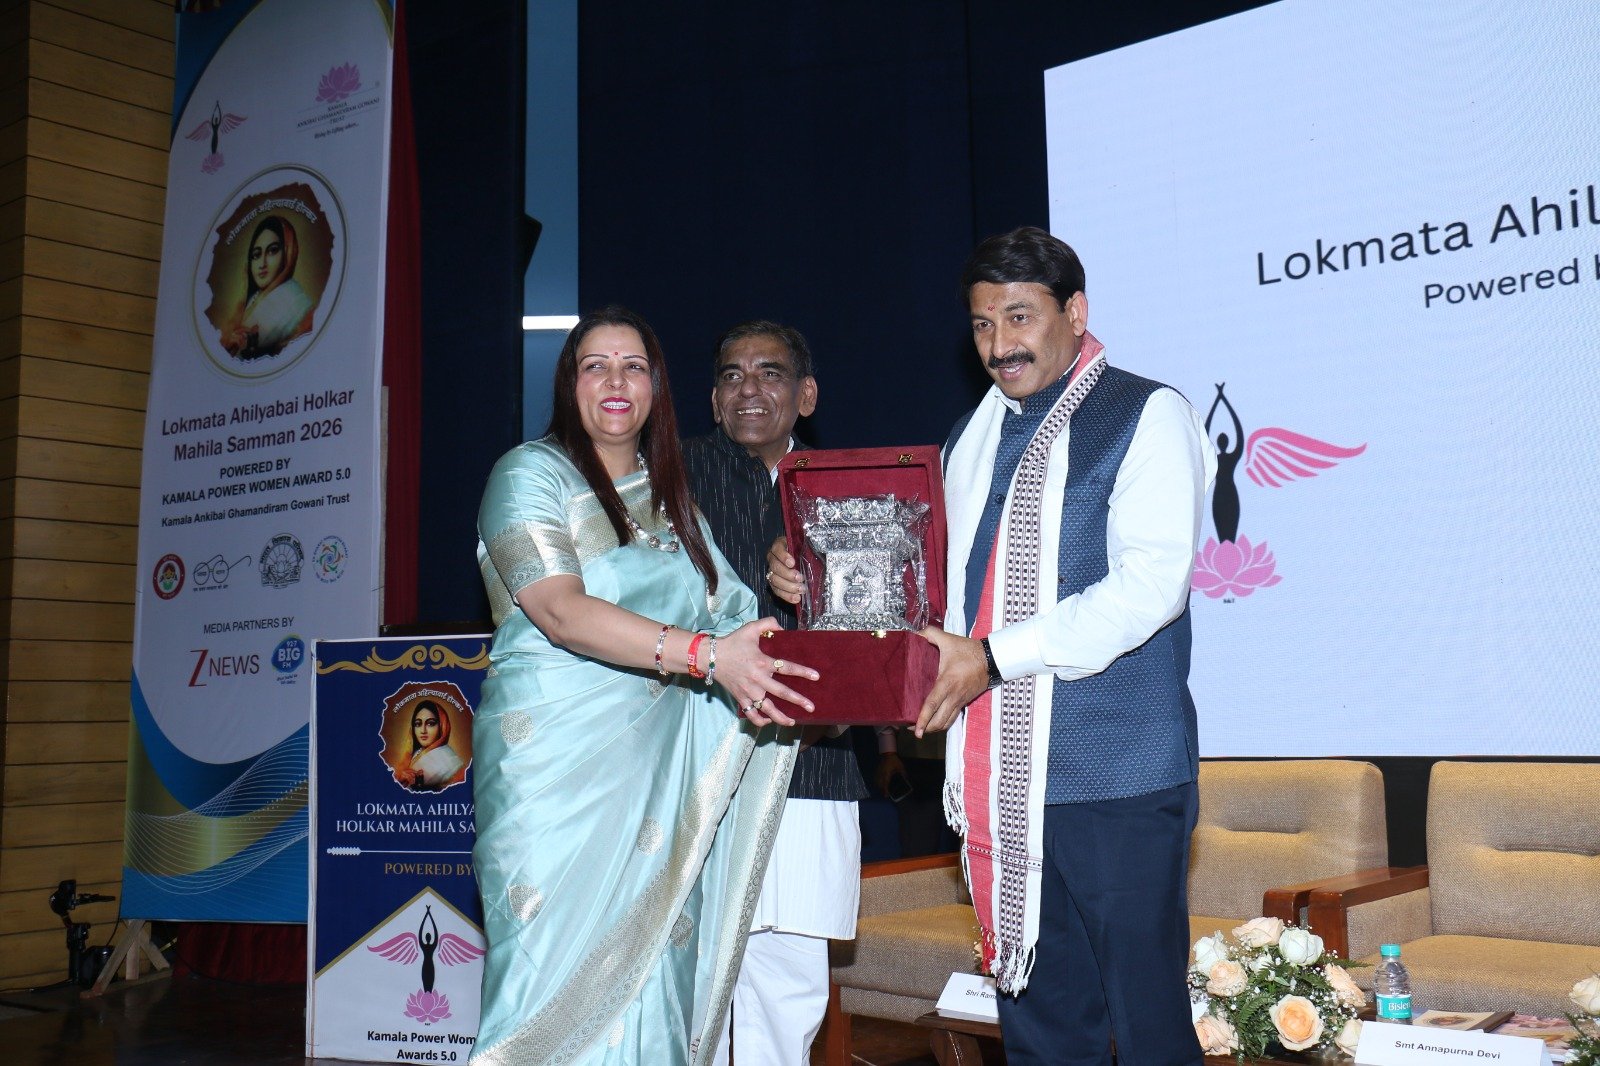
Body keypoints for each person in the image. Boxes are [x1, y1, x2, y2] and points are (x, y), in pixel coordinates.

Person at [771, 226, 1215, 1066]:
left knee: (1149, 1030)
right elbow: (932, 588)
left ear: (1074, 313)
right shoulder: (969, 438)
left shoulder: (1146, 413)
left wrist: (992, 657)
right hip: (1005, 788)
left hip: (1117, 778)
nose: (999, 344)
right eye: (982, 324)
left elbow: (1148, 589)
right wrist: (817, 570)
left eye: (1019, 317)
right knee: (1043, 1033)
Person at [470, 306, 818, 1065]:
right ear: (569, 384)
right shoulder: (528, 475)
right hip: (552, 773)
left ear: (656, 388)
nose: (616, 381)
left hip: (660, 778)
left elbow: (735, 619)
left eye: (634, 367)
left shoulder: (672, 501)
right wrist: (706, 656)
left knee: (654, 971)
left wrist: (808, 590)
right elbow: (560, 611)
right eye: (595, 365)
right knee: (544, 984)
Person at [682, 321, 867, 1066]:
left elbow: (885, 624)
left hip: (813, 763)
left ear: (806, 394)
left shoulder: (849, 491)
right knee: (693, 981)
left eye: (770, 373)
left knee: (790, 985)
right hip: (698, 761)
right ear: (713, 399)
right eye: (731, 376)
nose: (748, 389)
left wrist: (823, 579)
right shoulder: (670, 481)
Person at [224, 215, 314, 358]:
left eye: (272, 251)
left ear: (288, 253)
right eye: (256, 255)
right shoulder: (252, 299)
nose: (262, 263)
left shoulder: (296, 302)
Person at [392, 699, 465, 791]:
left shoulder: (451, 763)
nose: (423, 730)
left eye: (430, 723)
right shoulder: (416, 752)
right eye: (418, 724)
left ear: (442, 726)